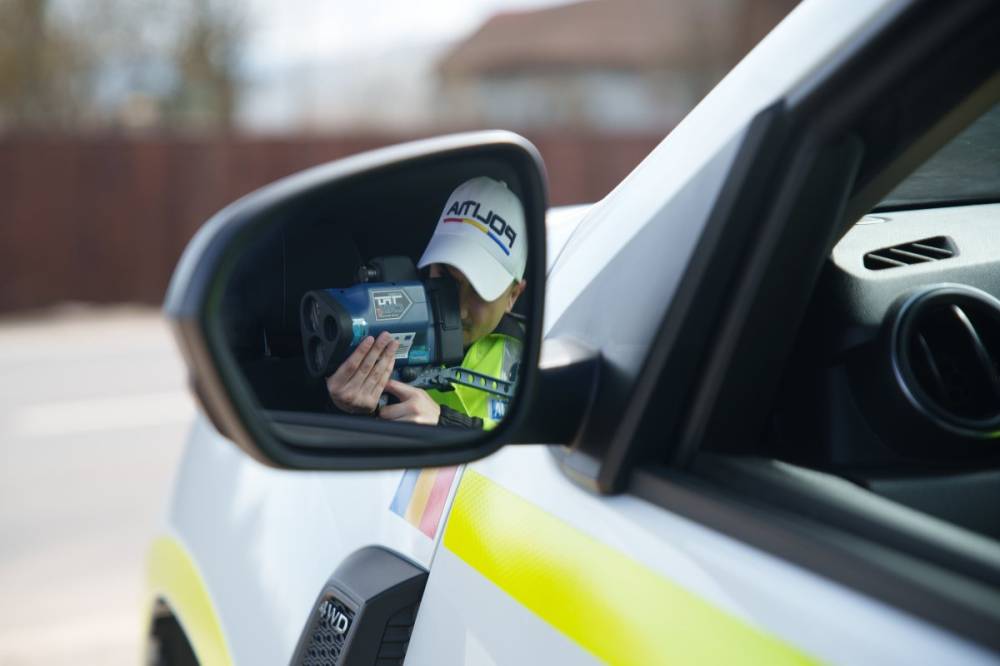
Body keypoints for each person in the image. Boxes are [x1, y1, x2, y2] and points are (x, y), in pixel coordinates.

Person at [325, 176, 527, 429]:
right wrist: (347, 412)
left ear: (513, 295)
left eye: (479, 291)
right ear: (429, 265)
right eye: (445, 277)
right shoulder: (383, 334)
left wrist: (446, 424)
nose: (461, 309)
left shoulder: (535, 359)